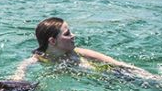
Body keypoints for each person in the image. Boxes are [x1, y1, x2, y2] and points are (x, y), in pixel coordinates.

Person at [12, 17, 154, 80]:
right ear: (52, 41)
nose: (73, 36)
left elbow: (118, 65)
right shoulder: (39, 59)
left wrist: (151, 77)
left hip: (116, 77)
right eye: (67, 34)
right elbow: (20, 72)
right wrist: (19, 79)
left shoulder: (79, 53)